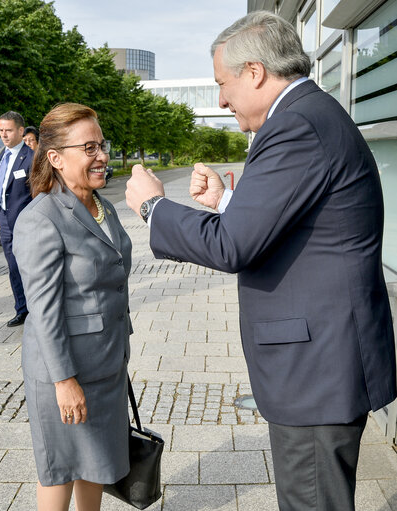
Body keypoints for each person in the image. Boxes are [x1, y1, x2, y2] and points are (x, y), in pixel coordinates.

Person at [125, 11, 396, 511]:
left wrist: (153, 207)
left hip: (316, 371)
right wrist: (228, 205)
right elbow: (297, 228)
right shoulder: (311, 115)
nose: (222, 100)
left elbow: (232, 247)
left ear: (253, 72)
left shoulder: (295, 125)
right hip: (324, 362)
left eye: (222, 84)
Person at [13, 103, 133, 511]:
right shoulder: (40, 218)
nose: (101, 155)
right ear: (56, 158)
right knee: (61, 470)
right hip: (64, 374)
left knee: (96, 465)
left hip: (106, 365)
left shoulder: (103, 206)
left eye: (102, 144)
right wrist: (65, 383)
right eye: (89, 147)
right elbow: (44, 312)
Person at [0, 111, 33, 326]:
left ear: (20, 130)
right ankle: (22, 309)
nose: (4, 135)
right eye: (1, 130)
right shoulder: (1, 155)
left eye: (8, 130)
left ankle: (37, 309)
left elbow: (38, 194)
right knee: (13, 268)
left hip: (25, 222)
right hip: (5, 220)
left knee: (29, 267)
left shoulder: (31, 158)